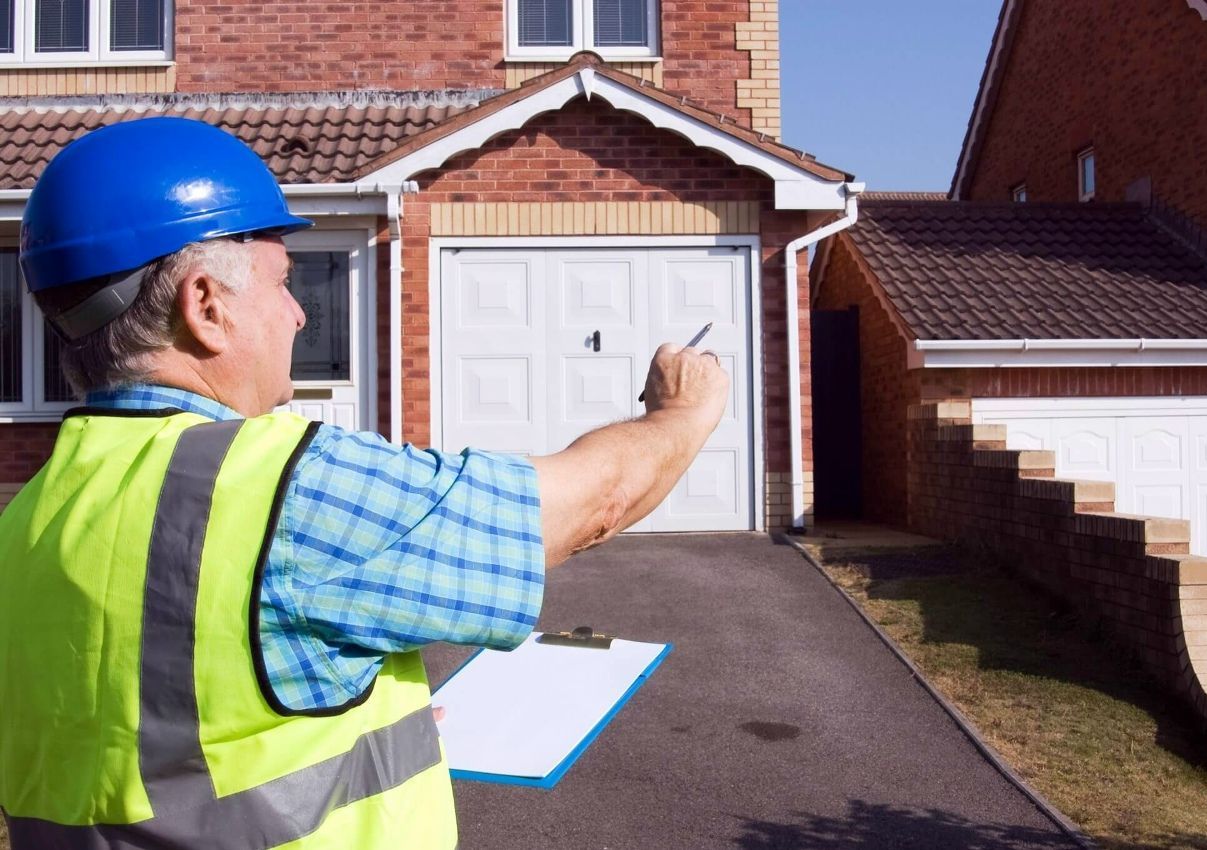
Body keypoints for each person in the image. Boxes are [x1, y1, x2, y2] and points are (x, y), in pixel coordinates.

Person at [0, 117, 728, 849]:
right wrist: (682, 411)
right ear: (206, 307)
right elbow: (589, 504)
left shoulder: (28, 520)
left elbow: (154, 743)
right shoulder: (285, 485)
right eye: (283, 282)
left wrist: (357, 739)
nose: (298, 314)